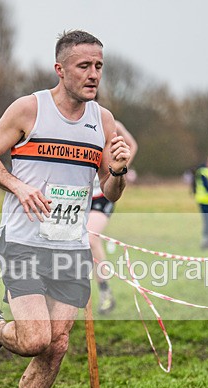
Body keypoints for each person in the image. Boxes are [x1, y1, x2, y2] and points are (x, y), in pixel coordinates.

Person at [0, 30, 131, 388]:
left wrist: (119, 171)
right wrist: (18, 186)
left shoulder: (104, 121)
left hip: (70, 246)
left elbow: (109, 193)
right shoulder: (29, 109)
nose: (93, 74)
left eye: (98, 66)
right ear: (61, 69)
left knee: (58, 344)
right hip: (22, 240)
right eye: (84, 66)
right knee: (36, 338)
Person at [87, 119, 137, 314]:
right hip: (78, 194)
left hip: (102, 195)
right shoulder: (68, 120)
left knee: (90, 238)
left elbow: (132, 144)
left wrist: (118, 170)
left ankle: (105, 292)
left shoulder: (108, 121)